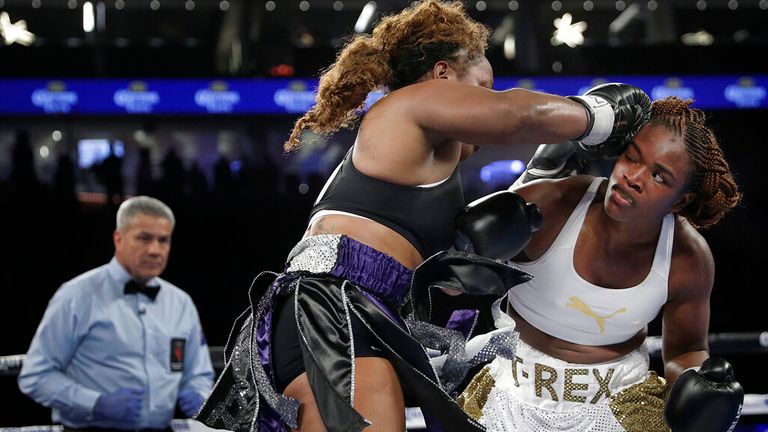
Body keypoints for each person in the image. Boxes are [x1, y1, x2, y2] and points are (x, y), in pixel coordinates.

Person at [196, 1, 650, 431]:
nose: (487, 100)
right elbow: (511, 116)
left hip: (357, 312)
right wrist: (597, 116)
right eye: (482, 88)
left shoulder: (424, 168)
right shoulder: (408, 106)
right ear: (442, 75)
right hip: (332, 306)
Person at [458, 97, 744, 432]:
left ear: (680, 200)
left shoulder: (688, 257)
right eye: (631, 157)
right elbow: (455, 272)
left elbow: (686, 349)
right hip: (514, 388)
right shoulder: (551, 205)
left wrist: (697, 389)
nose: (632, 177)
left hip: (623, 401)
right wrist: (469, 245)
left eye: (659, 176)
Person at [18, 196, 214, 431]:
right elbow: (35, 375)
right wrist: (95, 403)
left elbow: (199, 373)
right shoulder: (77, 295)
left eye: (163, 240)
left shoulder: (181, 303)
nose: (154, 250)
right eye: (144, 238)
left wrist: (200, 395)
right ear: (118, 239)